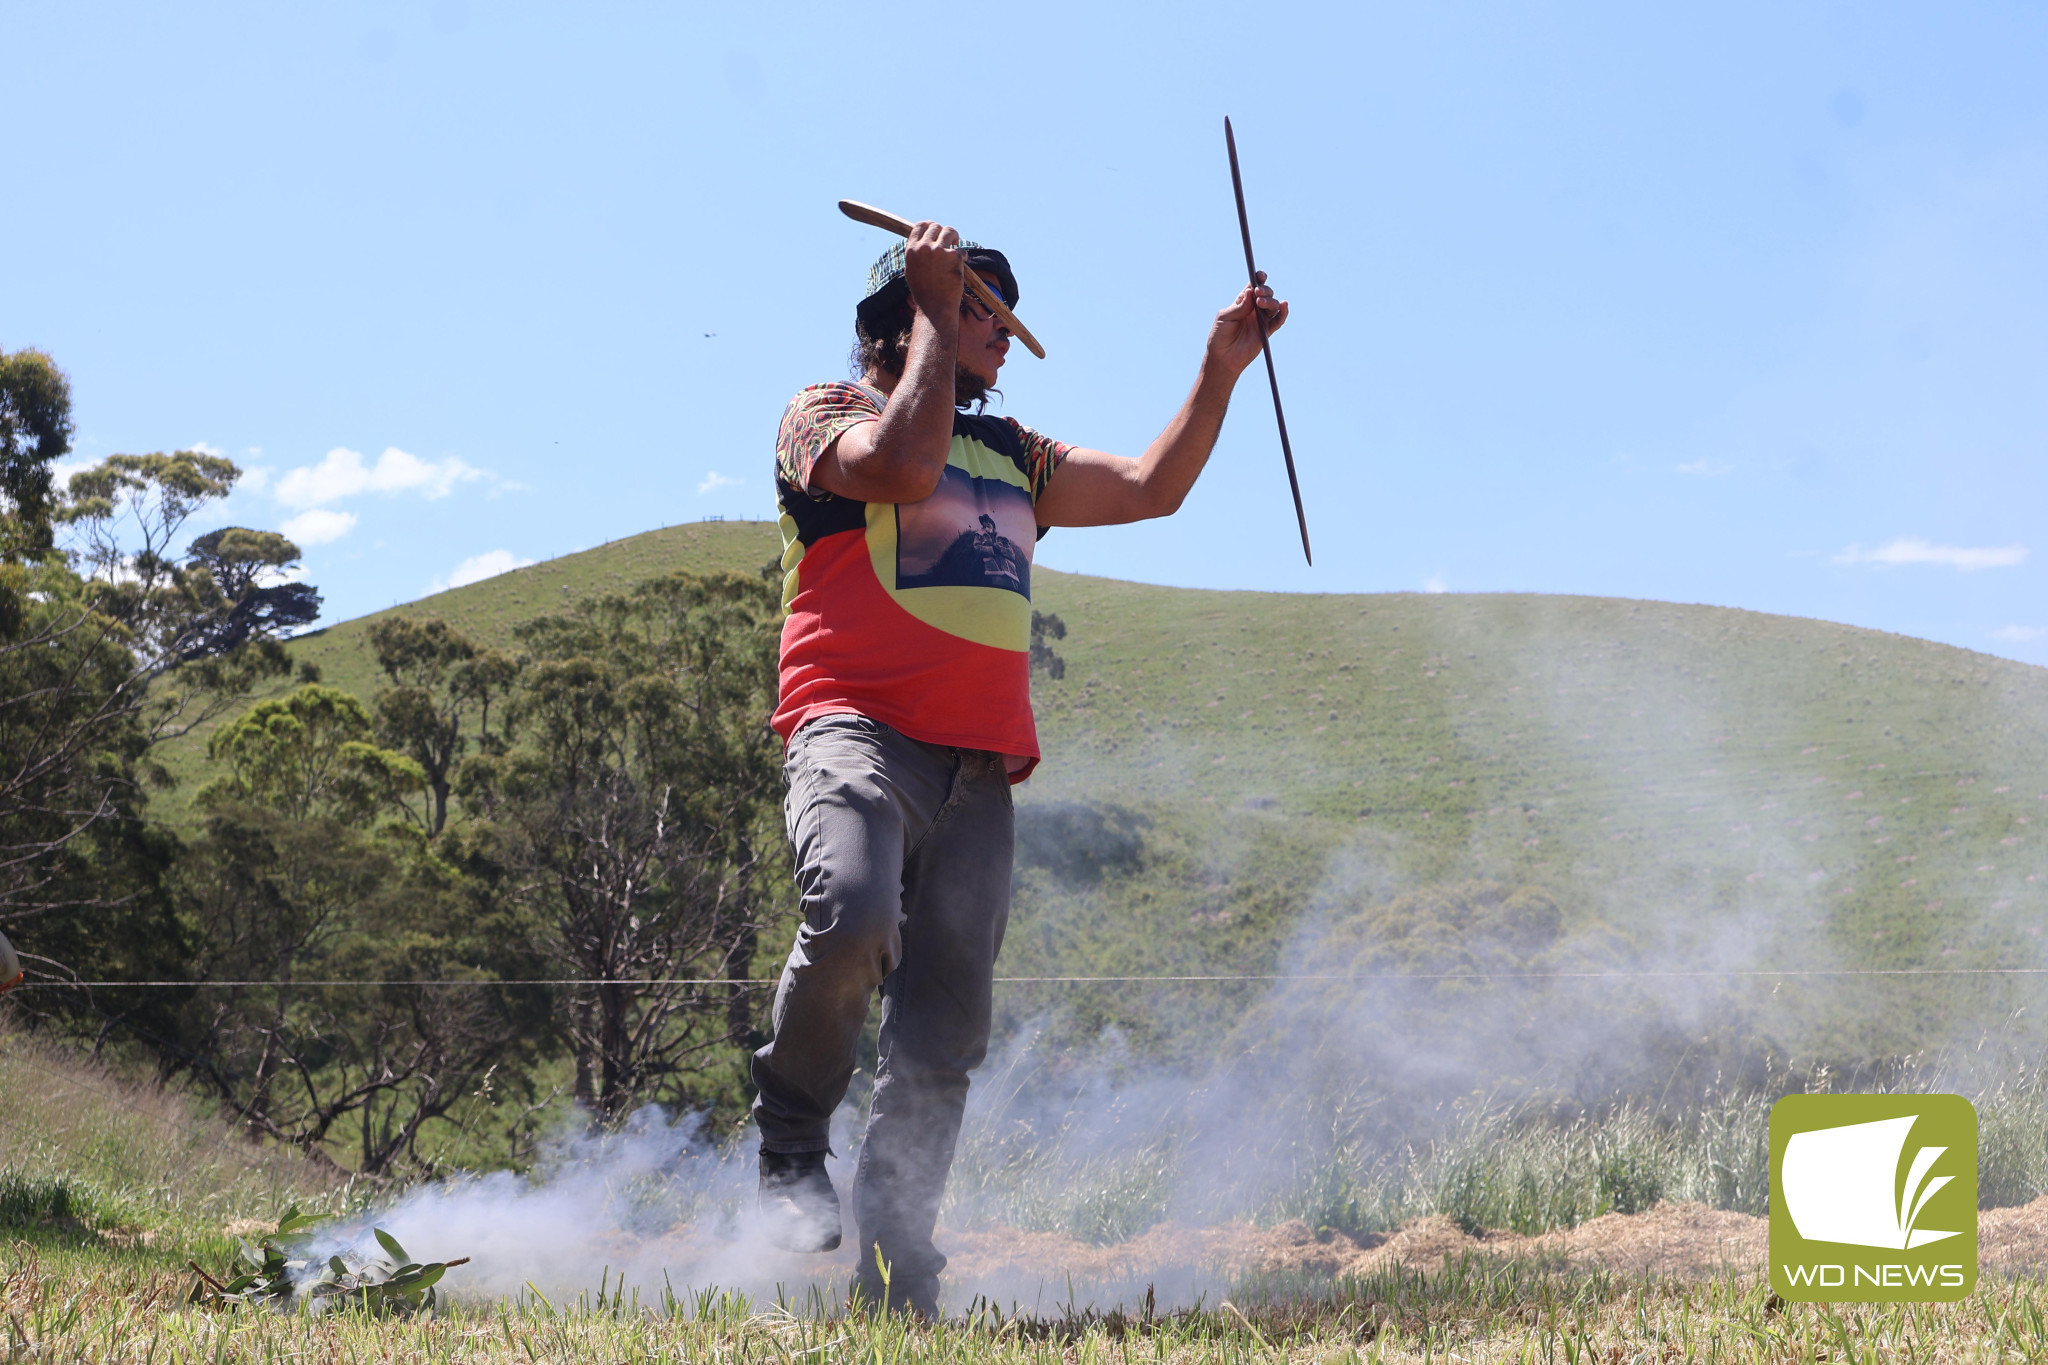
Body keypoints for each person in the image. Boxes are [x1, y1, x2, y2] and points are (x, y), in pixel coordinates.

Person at [753, 220, 1287, 1317]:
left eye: (1000, 316)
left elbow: (1148, 485)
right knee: (851, 916)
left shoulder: (1016, 455)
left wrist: (1217, 368)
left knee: (943, 1037)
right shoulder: (824, 414)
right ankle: (790, 1134)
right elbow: (899, 470)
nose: (998, 333)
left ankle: (896, 1282)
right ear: (905, 314)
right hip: (854, 727)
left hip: (979, 774)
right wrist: (929, 311)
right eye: (973, 308)